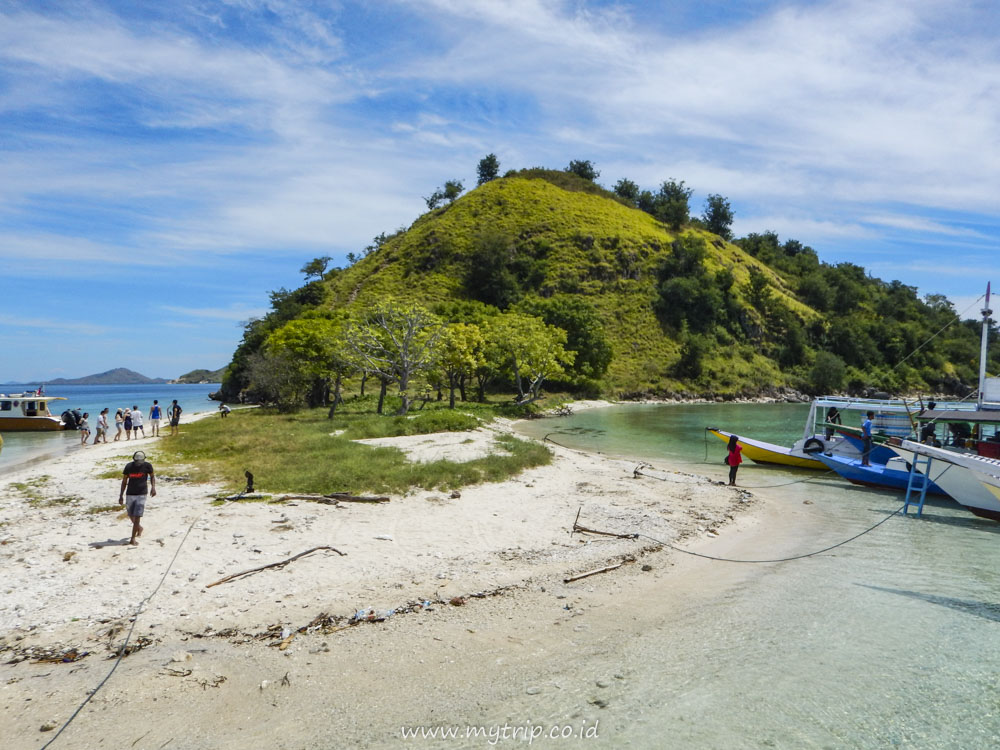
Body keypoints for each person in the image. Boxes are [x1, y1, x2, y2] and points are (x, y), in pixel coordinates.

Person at [118, 450, 155, 546]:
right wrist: (121, 495)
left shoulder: (148, 466)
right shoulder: (129, 466)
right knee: (130, 514)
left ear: (144, 460)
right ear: (134, 459)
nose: (139, 463)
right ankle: (139, 527)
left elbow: (152, 476)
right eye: (137, 461)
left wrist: (153, 488)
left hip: (142, 493)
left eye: (140, 461)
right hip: (130, 493)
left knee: (137, 515)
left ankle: (132, 538)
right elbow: (124, 481)